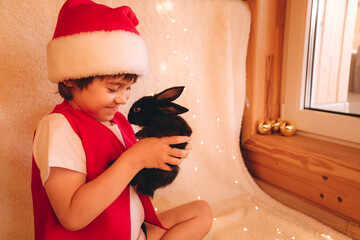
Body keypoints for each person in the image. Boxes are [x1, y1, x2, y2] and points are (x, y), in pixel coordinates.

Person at [31, 0, 213, 239]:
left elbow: (128, 187)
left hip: (131, 231)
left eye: (128, 89)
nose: (123, 99)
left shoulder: (118, 122)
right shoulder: (58, 127)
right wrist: (134, 159)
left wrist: (159, 157)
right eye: (113, 89)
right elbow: (72, 217)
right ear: (70, 78)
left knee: (202, 212)